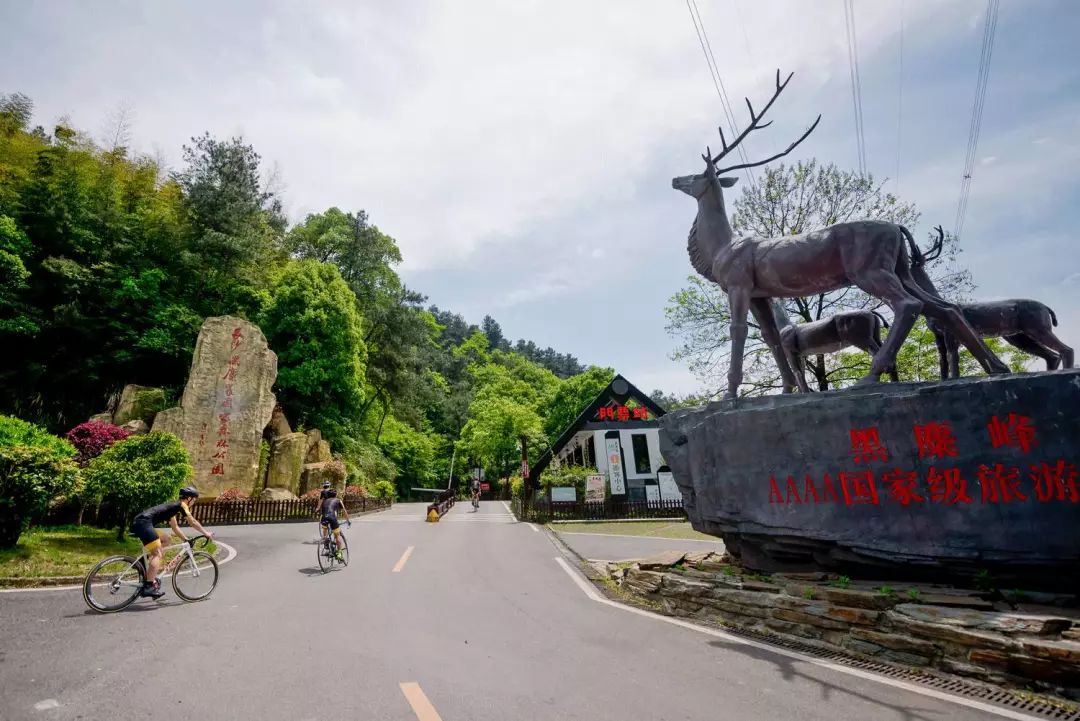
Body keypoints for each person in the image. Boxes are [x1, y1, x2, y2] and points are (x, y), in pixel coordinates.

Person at [130, 486, 214, 599]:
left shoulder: (173, 508)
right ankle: (148, 587)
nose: (194, 502)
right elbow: (192, 522)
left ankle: (141, 562)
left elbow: (175, 527)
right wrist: (205, 533)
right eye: (194, 499)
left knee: (166, 539)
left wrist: (186, 540)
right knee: (157, 553)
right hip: (144, 523)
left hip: (141, 522)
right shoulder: (181, 505)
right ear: (189, 498)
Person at [319, 488, 350, 561]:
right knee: (337, 535)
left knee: (325, 528)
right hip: (332, 518)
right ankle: (339, 553)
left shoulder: (324, 501)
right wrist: (348, 520)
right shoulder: (338, 500)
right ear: (336, 495)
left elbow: (324, 510)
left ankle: (325, 541)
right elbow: (344, 511)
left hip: (323, 518)